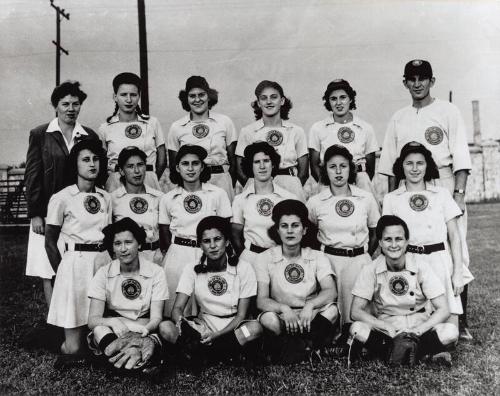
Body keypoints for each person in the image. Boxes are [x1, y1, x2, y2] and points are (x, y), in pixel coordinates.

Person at [377, 59, 473, 339]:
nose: (417, 83)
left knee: (454, 249)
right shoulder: (399, 117)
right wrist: (394, 199)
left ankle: (459, 319)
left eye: (423, 78)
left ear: (433, 81)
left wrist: (459, 194)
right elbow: (392, 164)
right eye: (412, 78)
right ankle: (418, 312)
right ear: (404, 82)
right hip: (407, 186)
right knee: (413, 247)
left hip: (442, 180)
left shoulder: (448, 110)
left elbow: (461, 158)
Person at [24, 80, 101, 311]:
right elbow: (33, 175)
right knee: (49, 267)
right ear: (55, 106)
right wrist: (36, 214)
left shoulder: (89, 135)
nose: (71, 108)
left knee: (78, 265)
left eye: (75, 104)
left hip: (79, 215)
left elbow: (96, 173)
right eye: (65, 103)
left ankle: (82, 317)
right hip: (48, 213)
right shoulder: (40, 134)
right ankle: (55, 320)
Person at [382, 142, 473, 330]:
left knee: (449, 331)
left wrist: (457, 272)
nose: (415, 169)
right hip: (410, 263)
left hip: (439, 261)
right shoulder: (392, 198)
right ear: (401, 166)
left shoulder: (441, 194)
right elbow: (388, 239)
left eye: (420, 163)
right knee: (411, 320)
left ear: (427, 166)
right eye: (409, 163)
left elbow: (455, 237)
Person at [350, 215, 459, 366]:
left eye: (399, 239)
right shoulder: (370, 269)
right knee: (356, 329)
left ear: (407, 241)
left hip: (419, 327)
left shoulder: (421, 266)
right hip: (389, 330)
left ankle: (393, 353)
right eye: (388, 239)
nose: (394, 245)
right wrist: (384, 326)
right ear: (380, 242)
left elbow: (444, 309)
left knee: (451, 331)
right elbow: (355, 311)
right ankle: (421, 354)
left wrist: (419, 330)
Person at [159, 216, 262, 363]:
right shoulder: (192, 268)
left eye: (217, 239)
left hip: (232, 328)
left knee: (254, 329)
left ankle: (205, 354)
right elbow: (177, 308)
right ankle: (224, 354)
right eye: (206, 241)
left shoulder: (244, 268)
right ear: (200, 245)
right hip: (203, 327)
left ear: (227, 241)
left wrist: (217, 335)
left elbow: (241, 315)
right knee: (165, 327)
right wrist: (187, 327)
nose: (213, 245)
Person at [45, 139, 111, 360]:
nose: (92, 164)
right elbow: (49, 241)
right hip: (74, 264)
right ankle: (61, 342)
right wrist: (62, 271)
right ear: (75, 164)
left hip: (102, 262)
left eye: (96, 159)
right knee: (74, 350)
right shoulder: (62, 198)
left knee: (100, 330)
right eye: (86, 159)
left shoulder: (106, 197)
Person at [307, 144, 379, 338]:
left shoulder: (365, 198)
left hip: (358, 261)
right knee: (328, 316)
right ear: (324, 170)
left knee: (357, 320)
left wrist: (362, 255)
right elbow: (310, 235)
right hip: (328, 262)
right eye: (332, 167)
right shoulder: (315, 202)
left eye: (343, 166)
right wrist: (322, 259)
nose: (338, 172)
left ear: (351, 168)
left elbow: (375, 233)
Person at [255, 200, 338, 363]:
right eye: (284, 226)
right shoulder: (264, 258)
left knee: (333, 310)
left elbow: (330, 291)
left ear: (305, 229)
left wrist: (310, 306)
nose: (290, 231)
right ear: (277, 231)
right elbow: (261, 300)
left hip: (310, 317)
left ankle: (300, 346)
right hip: (282, 316)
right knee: (268, 319)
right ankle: (303, 348)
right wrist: (283, 309)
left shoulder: (317, 256)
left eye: (295, 225)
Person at [159, 145, 232, 317]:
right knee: (176, 309)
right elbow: (164, 233)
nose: (190, 168)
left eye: (195, 163)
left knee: (209, 306)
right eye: (185, 164)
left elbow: (225, 228)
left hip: (209, 255)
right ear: (177, 168)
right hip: (177, 256)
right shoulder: (168, 198)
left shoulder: (217, 194)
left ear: (202, 166)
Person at [87, 217, 168, 371]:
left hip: (144, 328)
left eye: (128, 242)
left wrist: (144, 332)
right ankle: (139, 361)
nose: (123, 249)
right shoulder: (104, 272)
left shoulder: (156, 272)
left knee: (154, 337)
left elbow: (157, 317)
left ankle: (119, 362)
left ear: (139, 244)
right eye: (118, 244)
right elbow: (92, 320)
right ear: (112, 247)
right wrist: (113, 323)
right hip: (116, 329)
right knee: (99, 329)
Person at [235, 80, 308, 202]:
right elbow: (240, 170)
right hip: (259, 186)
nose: (269, 102)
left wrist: (293, 185)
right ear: (258, 103)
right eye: (264, 98)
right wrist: (257, 185)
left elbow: (304, 171)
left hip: (290, 185)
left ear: (282, 101)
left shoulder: (296, 130)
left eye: (274, 97)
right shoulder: (248, 131)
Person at [167, 76, 238, 200]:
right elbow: (174, 166)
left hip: (221, 181)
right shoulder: (177, 127)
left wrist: (227, 184)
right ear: (186, 99)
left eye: (201, 95)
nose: (197, 99)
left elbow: (234, 162)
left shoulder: (224, 122)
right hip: (191, 185)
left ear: (209, 96)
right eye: (192, 96)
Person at [308, 79, 379, 195]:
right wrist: (329, 182)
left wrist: (358, 182)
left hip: (360, 182)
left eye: (343, 97)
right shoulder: (318, 128)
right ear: (328, 102)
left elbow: (370, 167)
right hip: (328, 183)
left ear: (350, 99)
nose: (338, 103)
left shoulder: (365, 128)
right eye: (333, 99)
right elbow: (314, 165)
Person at [99, 72, 166, 193]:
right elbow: (102, 161)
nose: (129, 100)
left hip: (147, 179)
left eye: (133, 95)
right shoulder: (105, 127)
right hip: (116, 182)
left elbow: (162, 159)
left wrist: (152, 177)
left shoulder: (152, 123)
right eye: (123, 95)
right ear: (115, 97)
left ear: (139, 96)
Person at [231, 142, 297, 263]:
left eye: (266, 161)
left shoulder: (288, 198)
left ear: (273, 164)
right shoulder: (240, 199)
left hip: (280, 258)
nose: (262, 166)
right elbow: (235, 235)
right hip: (251, 258)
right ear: (250, 166)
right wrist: (245, 256)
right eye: (256, 162)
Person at [111, 147, 164, 265]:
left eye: (140, 165)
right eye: (130, 166)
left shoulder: (159, 197)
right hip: (125, 261)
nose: (137, 171)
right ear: (121, 171)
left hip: (154, 258)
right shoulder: (113, 199)